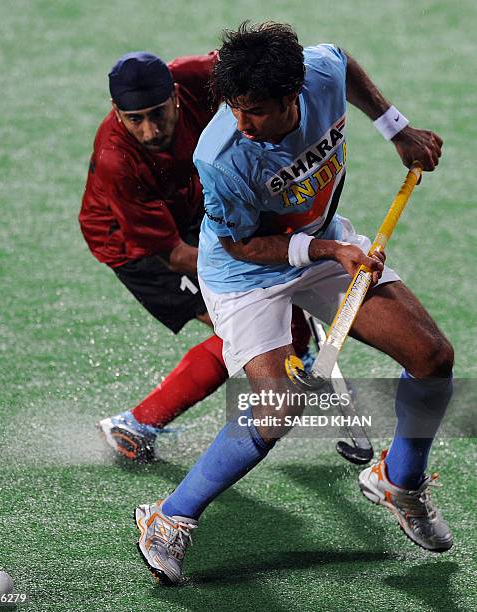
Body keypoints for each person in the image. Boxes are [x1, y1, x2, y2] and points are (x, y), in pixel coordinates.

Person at [135, 22, 454, 585]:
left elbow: (343, 60)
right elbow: (238, 243)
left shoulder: (321, 72)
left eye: (254, 110)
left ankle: (398, 483)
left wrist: (394, 127)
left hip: (323, 239)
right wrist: (328, 248)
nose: (241, 121)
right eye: (233, 107)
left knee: (431, 357)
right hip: (245, 272)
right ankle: (168, 517)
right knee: (277, 407)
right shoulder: (223, 155)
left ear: (294, 95)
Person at [79, 50, 313, 462]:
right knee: (246, 328)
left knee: (286, 327)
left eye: (158, 113)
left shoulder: (198, 75)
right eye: (135, 119)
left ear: (175, 94)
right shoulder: (117, 159)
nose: (150, 131)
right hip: (142, 248)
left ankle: (292, 363)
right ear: (116, 112)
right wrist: (272, 260)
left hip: (193, 210)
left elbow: (260, 67)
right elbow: (172, 253)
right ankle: (136, 424)